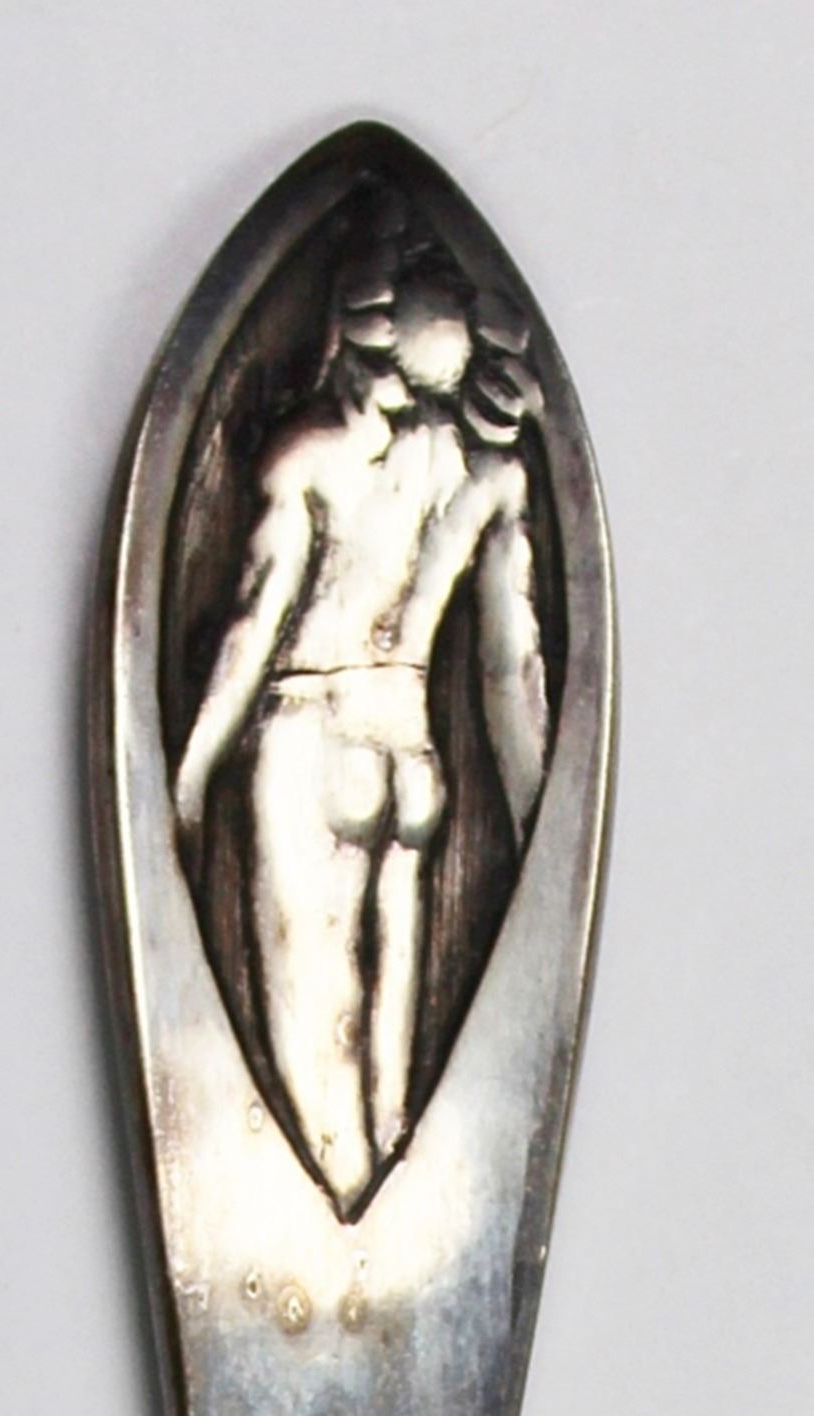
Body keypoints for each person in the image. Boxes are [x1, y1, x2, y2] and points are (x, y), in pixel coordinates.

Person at [174, 253, 548, 1216]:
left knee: (319, 1033)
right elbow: (511, 669)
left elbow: (252, 625)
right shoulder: (491, 476)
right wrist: (535, 818)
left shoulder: (311, 456)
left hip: (310, 738)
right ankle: (372, 1235)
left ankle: (342, 1243)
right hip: (409, 755)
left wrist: (188, 773)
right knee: (391, 1078)